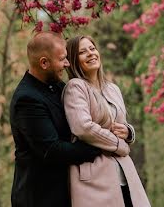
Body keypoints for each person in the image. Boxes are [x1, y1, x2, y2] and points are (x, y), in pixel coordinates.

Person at [10, 32, 102, 207]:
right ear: (44, 63)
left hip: (67, 193)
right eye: (62, 59)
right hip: (40, 198)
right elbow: (52, 150)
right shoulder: (27, 99)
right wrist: (100, 146)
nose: (67, 64)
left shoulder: (60, 87)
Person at [62, 35, 151, 207]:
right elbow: (83, 127)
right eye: (82, 52)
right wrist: (120, 145)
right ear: (73, 60)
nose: (90, 53)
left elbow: (121, 124)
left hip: (124, 171)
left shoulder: (112, 88)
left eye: (92, 48)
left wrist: (129, 132)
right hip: (95, 175)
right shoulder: (75, 87)